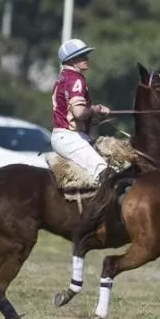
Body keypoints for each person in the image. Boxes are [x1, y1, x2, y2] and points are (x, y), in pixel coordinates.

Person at [50, 38, 115, 213]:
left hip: (67, 136)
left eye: (86, 54)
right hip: (70, 138)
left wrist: (95, 115)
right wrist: (95, 109)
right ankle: (97, 218)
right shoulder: (76, 79)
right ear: (71, 61)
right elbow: (79, 113)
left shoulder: (63, 77)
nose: (87, 58)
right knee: (105, 173)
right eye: (81, 56)